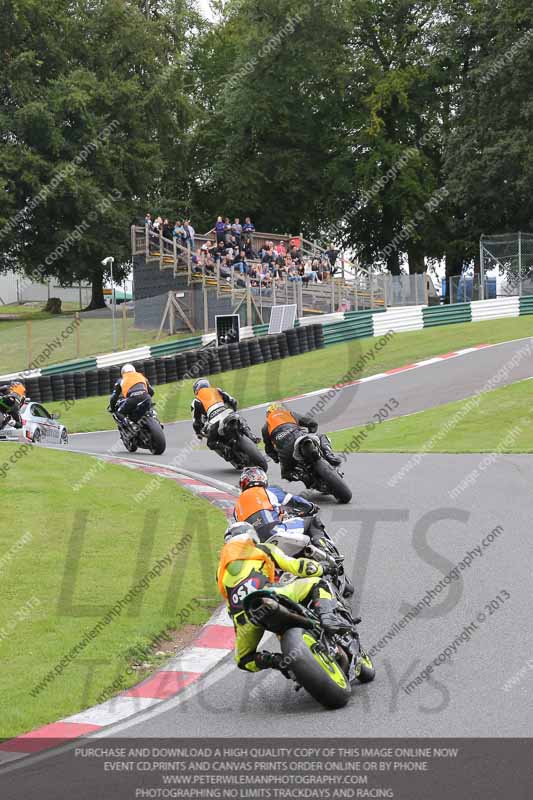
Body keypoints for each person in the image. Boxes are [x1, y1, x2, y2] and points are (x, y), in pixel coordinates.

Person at [217, 521, 352, 673]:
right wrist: (322, 568)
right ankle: (328, 618)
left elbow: (229, 605)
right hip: (269, 595)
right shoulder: (261, 548)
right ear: (250, 534)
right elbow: (296, 566)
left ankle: (278, 662)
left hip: (244, 617)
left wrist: (240, 627)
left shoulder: (221, 570)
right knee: (318, 584)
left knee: (243, 660)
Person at [262, 403, 342, 480]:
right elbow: (312, 423)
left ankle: (300, 475)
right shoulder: (289, 414)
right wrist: (311, 432)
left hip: (285, 452)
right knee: (321, 436)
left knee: (286, 474)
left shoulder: (266, 427)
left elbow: (269, 449)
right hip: (299, 437)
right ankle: (330, 456)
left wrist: (277, 459)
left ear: (268, 414)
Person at [191, 379, 259, 452]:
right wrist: (233, 411)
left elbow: (196, 422)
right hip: (227, 413)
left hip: (214, 422)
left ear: (196, 390)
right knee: (241, 421)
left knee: (211, 443)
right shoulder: (217, 390)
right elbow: (233, 401)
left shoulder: (196, 401)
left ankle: (226, 450)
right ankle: (252, 436)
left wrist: (199, 433)